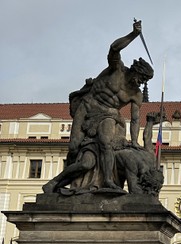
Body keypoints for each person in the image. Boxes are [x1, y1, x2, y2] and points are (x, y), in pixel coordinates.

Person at [43, 20, 154, 194]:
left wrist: (134, 141)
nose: (141, 82)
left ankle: (108, 180)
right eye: (141, 78)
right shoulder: (117, 69)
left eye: (144, 81)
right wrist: (133, 34)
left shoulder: (136, 94)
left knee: (105, 142)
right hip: (88, 106)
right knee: (74, 147)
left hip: (109, 114)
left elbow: (135, 119)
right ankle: (59, 183)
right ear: (135, 70)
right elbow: (114, 48)